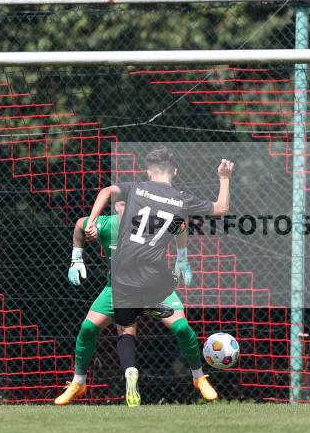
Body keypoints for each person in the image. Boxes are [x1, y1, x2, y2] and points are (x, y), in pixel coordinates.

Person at [84, 146, 233, 406]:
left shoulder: (136, 188)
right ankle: (198, 376)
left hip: (123, 275)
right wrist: (224, 177)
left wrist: (92, 221)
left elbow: (107, 192)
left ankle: (130, 370)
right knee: (181, 325)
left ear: (148, 172)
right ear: (174, 171)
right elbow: (221, 208)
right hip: (154, 279)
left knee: (126, 331)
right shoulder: (180, 198)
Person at [54, 200, 216, 405]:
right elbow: (79, 225)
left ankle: (198, 377)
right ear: (116, 207)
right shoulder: (104, 225)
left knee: (182, 328)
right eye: (122, 203)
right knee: (87, 328)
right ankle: (79, 383)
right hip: (118, 289)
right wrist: (76, 259)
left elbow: (180, 225)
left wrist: (182, 259)